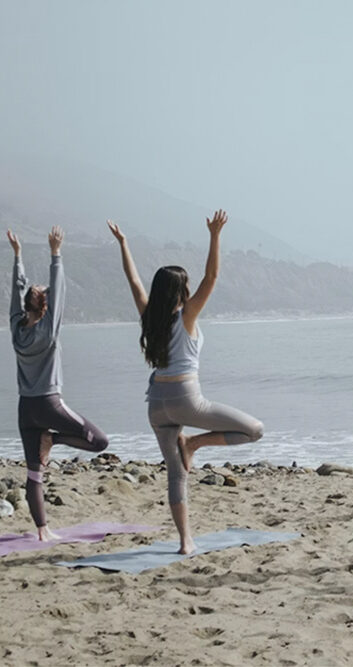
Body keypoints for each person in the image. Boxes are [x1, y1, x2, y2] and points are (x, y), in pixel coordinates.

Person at [108, 210, 264, 555]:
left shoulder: (150, 316)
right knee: (254, 430)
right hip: (185, 399)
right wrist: (215, 235)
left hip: (155, 406)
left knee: (175, 476)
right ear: (182, 290)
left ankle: (185, 542)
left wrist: (124, 244)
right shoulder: (187, 315)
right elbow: (212, 277)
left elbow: (133, 282)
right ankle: (194, 443)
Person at [7, 226, 109, 541]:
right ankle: (55, 440)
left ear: (26, 308)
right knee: (99, 441)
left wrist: (18, 256)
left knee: (34, 474)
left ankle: (42, 531)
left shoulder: (15, 327)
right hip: (50, 404)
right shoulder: (49, 331)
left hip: (26, 409)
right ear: (46, 309)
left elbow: (16, 291)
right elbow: (59, 289)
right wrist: (56, 254)